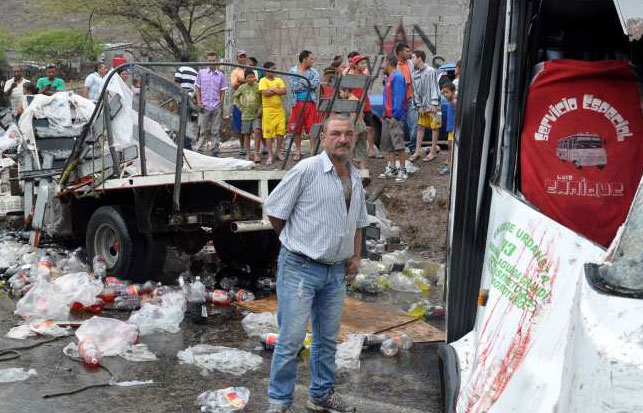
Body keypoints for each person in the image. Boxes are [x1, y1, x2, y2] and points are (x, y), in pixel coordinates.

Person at [264, 114, 366, 413]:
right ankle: (279, 402)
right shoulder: (307, 170)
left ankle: (320, 395)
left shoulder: (355, 176)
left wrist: (356, 256)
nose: (343, 139)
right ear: (323, 138)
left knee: (326, 340)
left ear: (355, 139)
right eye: (336, 134)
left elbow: (358, 222)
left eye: (348, 134)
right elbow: (275, 210)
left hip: (335, 272)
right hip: (300, 268)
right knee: (291, 339)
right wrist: (296, 243)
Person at [378, 54, 408, 183]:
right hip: (387, 116)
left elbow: (399, 97)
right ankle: (392, 168)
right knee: (388, 144)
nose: (382, 66)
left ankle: (403, 170)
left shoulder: (398, 77)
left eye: (384, 63)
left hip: (395, 117)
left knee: (399, 144)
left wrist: (396, 115)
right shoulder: (389, 77)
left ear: (388, 62)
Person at [409, 50, 440, 162]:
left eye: (413, 57)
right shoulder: (414, 74)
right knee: (420, 127)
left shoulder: (431, 71)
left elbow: (435, 87)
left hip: (432, 106)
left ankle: (433, 152)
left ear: (419, 58)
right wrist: (419, 106)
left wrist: (434, 103)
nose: (412, 60)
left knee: (434, 127)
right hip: (422, 106)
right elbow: (415, 92)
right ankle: (417, 151)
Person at [288, 50, 320, 160]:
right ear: (305, 59)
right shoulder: (292, 71)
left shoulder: (314, 72)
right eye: (311, 58)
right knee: (296, 128)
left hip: (310, 103)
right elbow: (294, 87)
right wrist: (307, 83)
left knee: (312, 128)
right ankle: (298, 150)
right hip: (297, 103)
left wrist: (302, 81)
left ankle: (312, 151)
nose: (313, 61)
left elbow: (315, 85)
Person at [194, 52, 228, 155]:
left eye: (213, 61)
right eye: (210, 61)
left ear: (216, 61)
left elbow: (223, 90)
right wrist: (199, 102)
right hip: (204, 105)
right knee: (202, 129)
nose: (212, 63)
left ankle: (214, 149)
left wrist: (221, 103)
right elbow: (197, 88)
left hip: (216, 105)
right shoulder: (201, 73)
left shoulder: (221, 75)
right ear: (207, 61)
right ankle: (199, 149)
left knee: (215, 130)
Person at [343, 54, 376, 158]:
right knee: (355, 130)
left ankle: (371, 150)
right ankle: (351, 151)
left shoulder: (365, 75)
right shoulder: (350, 75)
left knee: (369, 128)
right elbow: (345, 91)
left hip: (365, 104)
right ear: (356, 65)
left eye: (365, 63)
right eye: (361, 63)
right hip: (355, 106)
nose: (364, 65)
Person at [258, 62, 287, 165]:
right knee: (268, 134)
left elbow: (284, 91)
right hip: (268, 111)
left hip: (279, 110)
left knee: (280, 131)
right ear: (266, 70)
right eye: (272, 69)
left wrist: (274, 90)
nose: (274, 71)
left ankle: (278, 152)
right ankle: (270, 155)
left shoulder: (279, 80)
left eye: (275, 68)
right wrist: (277, 90)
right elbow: (265, 93)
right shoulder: (263, 80)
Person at [234, 69, 262, 163]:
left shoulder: (258, 86)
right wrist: (240, 107)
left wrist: (260, 109)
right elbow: (235, 97)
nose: (251, 79)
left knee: (257, 131)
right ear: (245, 79)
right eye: (249, 77)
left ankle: (257, 153)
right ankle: (248, 153)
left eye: (252, 76)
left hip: (256, 114)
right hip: (245, 115)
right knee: (246, 134)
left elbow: (263, 98)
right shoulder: (242, 87)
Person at [395, 43, 417, 153]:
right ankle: (401, 149)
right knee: (399, 126)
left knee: (415, 124)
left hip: (411, 99)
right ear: (399, 52)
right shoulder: (394, 65)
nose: (410, 53)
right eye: (407, 51)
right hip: (400, 101)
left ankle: (413, 146)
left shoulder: (410, 63)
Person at [338, 87, 368, 169]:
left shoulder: (351, 101)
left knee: (349, 150)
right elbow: (362, 115)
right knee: (360, 151)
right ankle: (364, 172)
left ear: (347, 91)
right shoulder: (357, 99)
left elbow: (353, 116)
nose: (340, 95)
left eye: (341, 92)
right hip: (362, 126)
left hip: (356, 127)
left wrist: (350, 129)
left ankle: (347, 171)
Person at [230, 50, 249, 156]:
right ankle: (242, 146)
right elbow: (235, 86)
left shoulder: (252, 70)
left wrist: (241, 80)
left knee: (252, 126)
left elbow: (254, 82)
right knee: (239, 126)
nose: (242, 58)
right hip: (239, 103)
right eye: (240, 57)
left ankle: (249, 148)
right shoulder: (234, 72)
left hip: (251, 103)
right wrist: (246, 81)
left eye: (244, 56)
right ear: (238, 59)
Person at [440, 82, 457, 175]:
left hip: (453, 129)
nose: (445, 95)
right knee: (450, 147)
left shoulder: (454, 102)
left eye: (447, 92)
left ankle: (451, 166)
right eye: (444, 93)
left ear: (453, 91)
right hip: (451, 129)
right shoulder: (451, 102)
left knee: (451, 147)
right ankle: (450, 165)